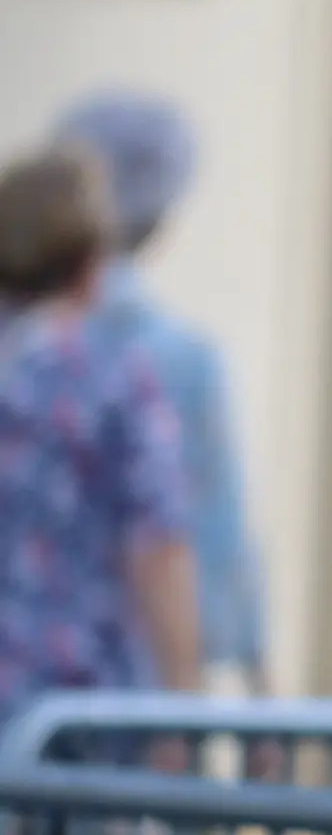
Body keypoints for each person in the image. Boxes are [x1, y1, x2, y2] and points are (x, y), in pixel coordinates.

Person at [51, 91, 268, 693]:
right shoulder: (181, 358)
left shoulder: (20, 344)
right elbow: (210, 533)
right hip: (125, 687)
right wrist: (254, 683)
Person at [0, 147, 200, 720]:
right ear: (91, 263)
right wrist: (183, 704)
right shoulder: (112, 378)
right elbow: (159, 549)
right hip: (72, 713)